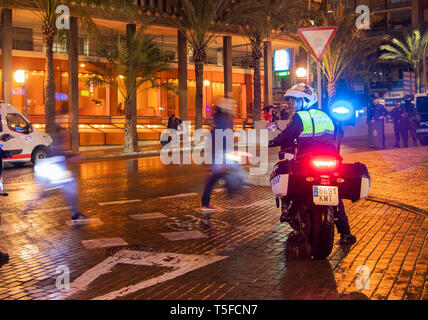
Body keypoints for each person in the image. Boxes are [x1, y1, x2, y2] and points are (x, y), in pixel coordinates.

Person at [268, 83, 356, 245]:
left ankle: (291, 211)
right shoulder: (326, 115)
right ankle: (346, 233)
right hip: (330, 159)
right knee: (334, 195)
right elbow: (338, 133)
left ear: (305, 100)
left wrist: (272, 142)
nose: (293, 105)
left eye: (296, 101)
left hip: (307, 158)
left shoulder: (301, 117)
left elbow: (287, 136)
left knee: (296, 183)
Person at [23, 123, 88, 221]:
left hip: (49, 168)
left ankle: (29, 207)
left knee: (47, 192)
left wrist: (71, 158)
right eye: (64, 136)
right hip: (51, 168)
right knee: (70, 186)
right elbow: (60, 155)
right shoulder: (58, 142)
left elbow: (61, 155)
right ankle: (75, 214)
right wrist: (72, 158)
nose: (66, 138)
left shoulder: (57, 142)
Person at [200, 98, 237, 213]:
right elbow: (221, 138)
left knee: (219, 176)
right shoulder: (222, 121)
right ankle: (205, 204)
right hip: (219, 155)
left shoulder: (220, 120)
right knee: (215, 177)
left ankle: (207, 202)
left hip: (219, 154)